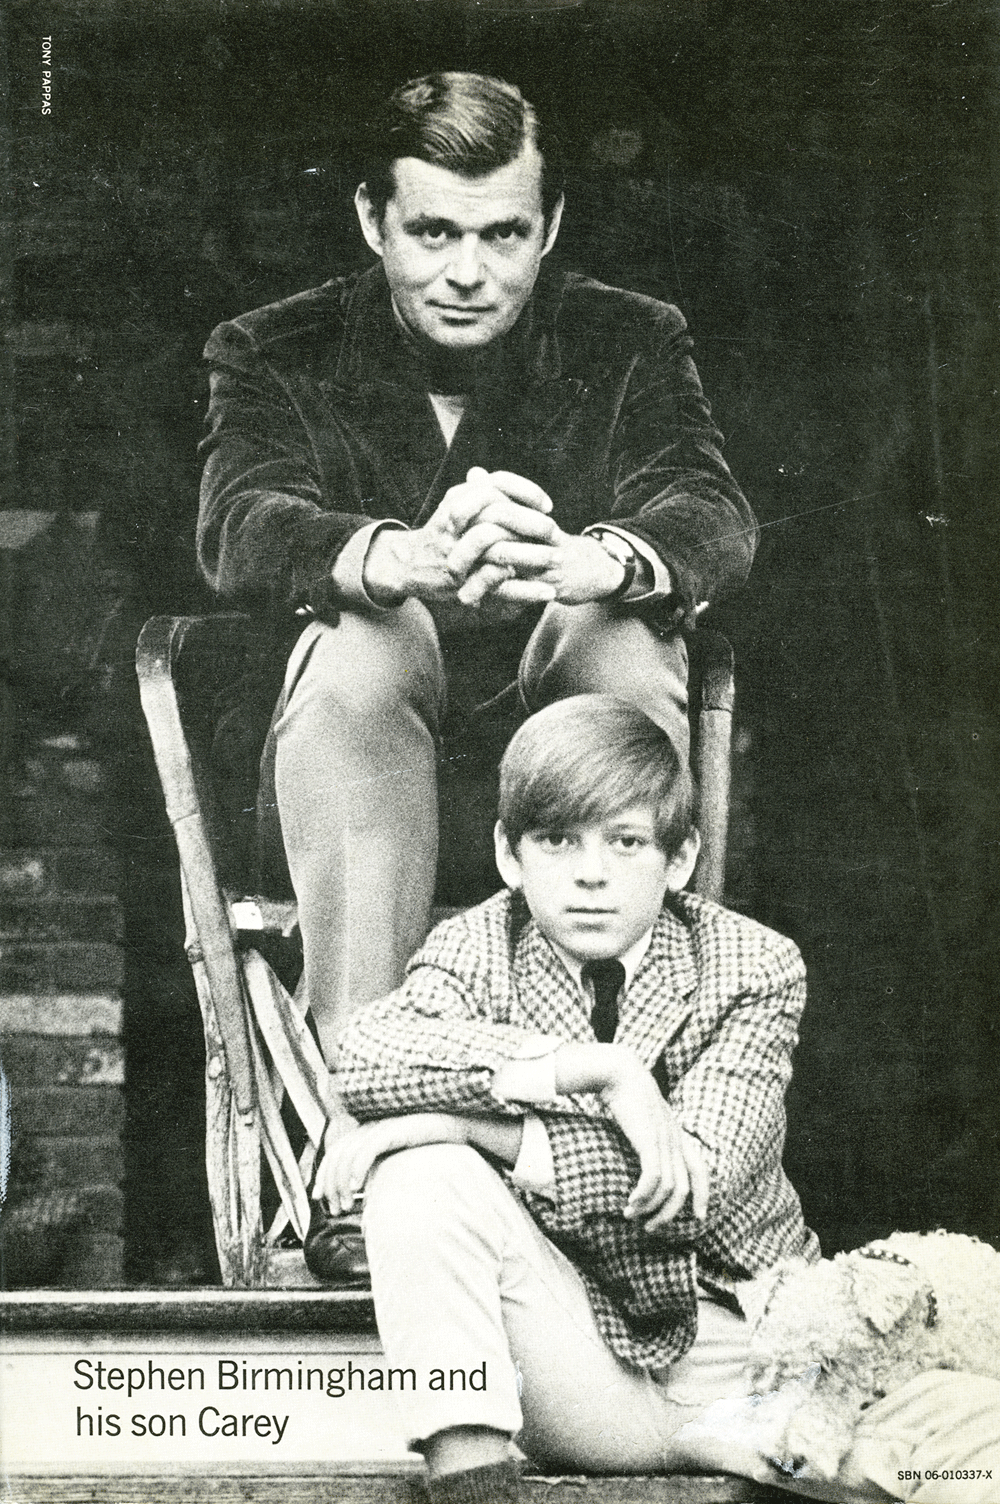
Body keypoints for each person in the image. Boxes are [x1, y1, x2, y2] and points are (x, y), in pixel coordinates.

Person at [196, 71, 757, 1069]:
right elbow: (239, 522)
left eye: (502, 235)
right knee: (370, 633)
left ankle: (616, 1062)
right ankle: (372, 1079)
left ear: (550, 227)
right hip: (351, 787)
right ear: (372, 220)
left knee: (621, 636)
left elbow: (709, 508)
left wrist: (598, 561)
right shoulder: (274, 349)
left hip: (561, 777)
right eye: (433, 232)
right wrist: (395, 558)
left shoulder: (629, 338)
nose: (468, 271)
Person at [319, 697, 1000, 1504]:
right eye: (557, 840)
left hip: (753, 1363)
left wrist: (465, 1125)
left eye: (627, 841)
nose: (591, 874)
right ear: (509, 855)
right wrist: (594, 1069)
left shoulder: (752, 965)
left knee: (974, 1458)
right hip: (578, 1364)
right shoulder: (479, 944)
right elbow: (364, 1053)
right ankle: (473, 1490)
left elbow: (684, 1191)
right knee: (422, 1175)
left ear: (679, 859)